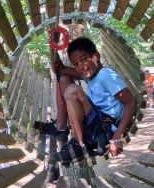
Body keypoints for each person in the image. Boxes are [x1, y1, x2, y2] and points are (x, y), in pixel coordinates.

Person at [34, 36, 137, 164]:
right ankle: (60, 128)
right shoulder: (91, 76)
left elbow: (131, 103)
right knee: (64, 79)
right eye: (75, 63)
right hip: (95, 124)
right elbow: (59, 70)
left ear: (96, 56)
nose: (81, 66)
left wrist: (116, 138)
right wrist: (53, 46)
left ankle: (79, 146)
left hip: (106, 130)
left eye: (84, 59)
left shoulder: (106, 75)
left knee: (72, 90)